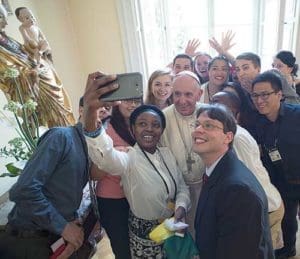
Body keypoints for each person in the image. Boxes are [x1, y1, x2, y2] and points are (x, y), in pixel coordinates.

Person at [82, 72, 190, 258]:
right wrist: (90, 113)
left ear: (161, 130)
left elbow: (181, 186)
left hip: (170, 225)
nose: (149, 128)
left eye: (155, 125)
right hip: (144, 233)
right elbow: (106, 157)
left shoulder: (166, 154)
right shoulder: (129, 158)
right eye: (142, 124)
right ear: (133, 129)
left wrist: (180, 207)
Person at [193, 103, 274, 259]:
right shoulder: (218, 169)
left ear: (228, 137)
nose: (198, 130)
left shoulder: (237, 190)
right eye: (197, 124)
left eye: (208, 125)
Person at [211, 91, 284, 249]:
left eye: (217, 104)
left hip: (266, 208)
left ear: (233, 111)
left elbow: (246, 179)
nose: (211, 107)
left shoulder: (236, 138)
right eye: (211, 102)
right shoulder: (229, 134)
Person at [250, 71, 300, 258]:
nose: (259, 100)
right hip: (282, 182)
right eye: (255, 95)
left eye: (265, 94)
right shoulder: (258, 122)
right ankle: (289, 250)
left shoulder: (296, 115)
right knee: (287, 220)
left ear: (279, 94)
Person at [0, 4, 75, 127]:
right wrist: (31, 73)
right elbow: (6, 74)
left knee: (62, 110)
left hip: (43, 73)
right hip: (34, 85)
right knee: (52, 120)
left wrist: (41, 53)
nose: (6, 23)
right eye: (1, 17)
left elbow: (25, 53)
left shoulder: (7, 39)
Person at [93, 98, 141, 259]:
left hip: (135, 195)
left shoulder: (141, 123)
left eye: (137, 101)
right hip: (112, 198)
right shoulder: (105, 127)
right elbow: (94, 170)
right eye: (127, 100)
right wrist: (116, 155)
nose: (133, 104)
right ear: (117, 102)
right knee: (122, 248)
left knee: (139, 244)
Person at [160, 70, 204, 238]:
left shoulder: (208, 114)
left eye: (188, 94)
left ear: (199, 94)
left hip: (206, 186)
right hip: (177, 190)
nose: (182, 101)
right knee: (181, 235)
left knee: (205, 229)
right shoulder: (162, 118)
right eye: (177, 94)